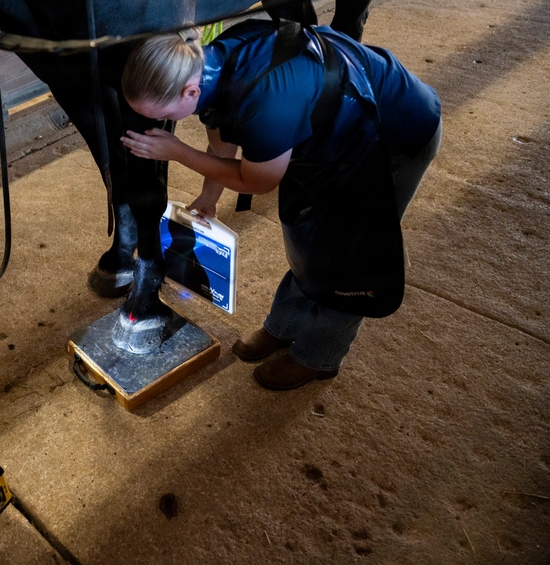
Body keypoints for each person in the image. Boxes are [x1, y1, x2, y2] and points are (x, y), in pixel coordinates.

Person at [120, 20, 441, 391]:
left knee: (348, 258)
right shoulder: (208, 61)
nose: (158, 124)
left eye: (163, 115)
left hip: (390, 137)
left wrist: (177, 152)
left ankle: (318, 356)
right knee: (309, 236)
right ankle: (284, 327)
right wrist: (209, 196)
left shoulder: (266, 103)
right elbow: (222, 129)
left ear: (190, 91)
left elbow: (259, 181)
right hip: (332, 134)